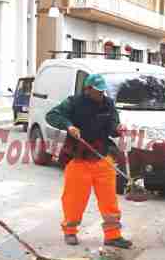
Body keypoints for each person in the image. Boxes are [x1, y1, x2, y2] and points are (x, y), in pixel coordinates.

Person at [46, 73, 132, 249]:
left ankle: (113, 235)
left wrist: (118, 127)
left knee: (109, 201)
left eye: (103, 91)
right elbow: (52, 115)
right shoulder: (73, 102)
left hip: (102, 157)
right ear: (88, 89)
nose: (101, 95)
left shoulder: (108, 104)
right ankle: (70, 232)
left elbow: (113, 125)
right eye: (98, 91)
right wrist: (69, 126)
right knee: (74, 200)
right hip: (79, 159)